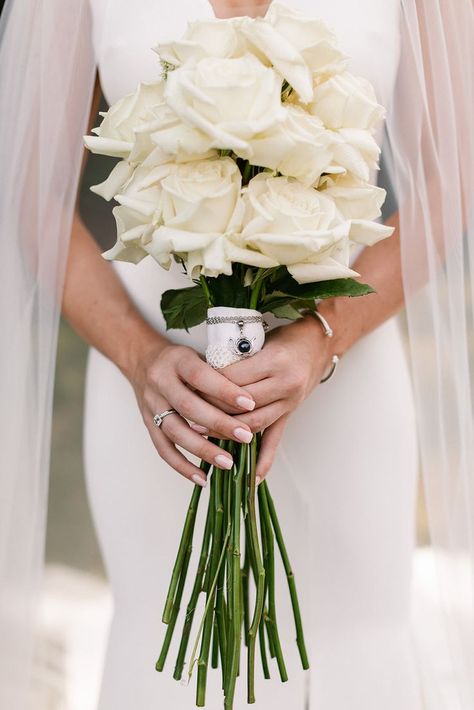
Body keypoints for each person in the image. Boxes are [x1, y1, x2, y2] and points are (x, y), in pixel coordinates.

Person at [0, 1, 472, 709]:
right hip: (159, 389)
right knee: (167, 657)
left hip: (349, 379)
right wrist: (141, 359)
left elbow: (452, 175)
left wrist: (325, 336)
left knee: (352, 644)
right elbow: (32, 191)